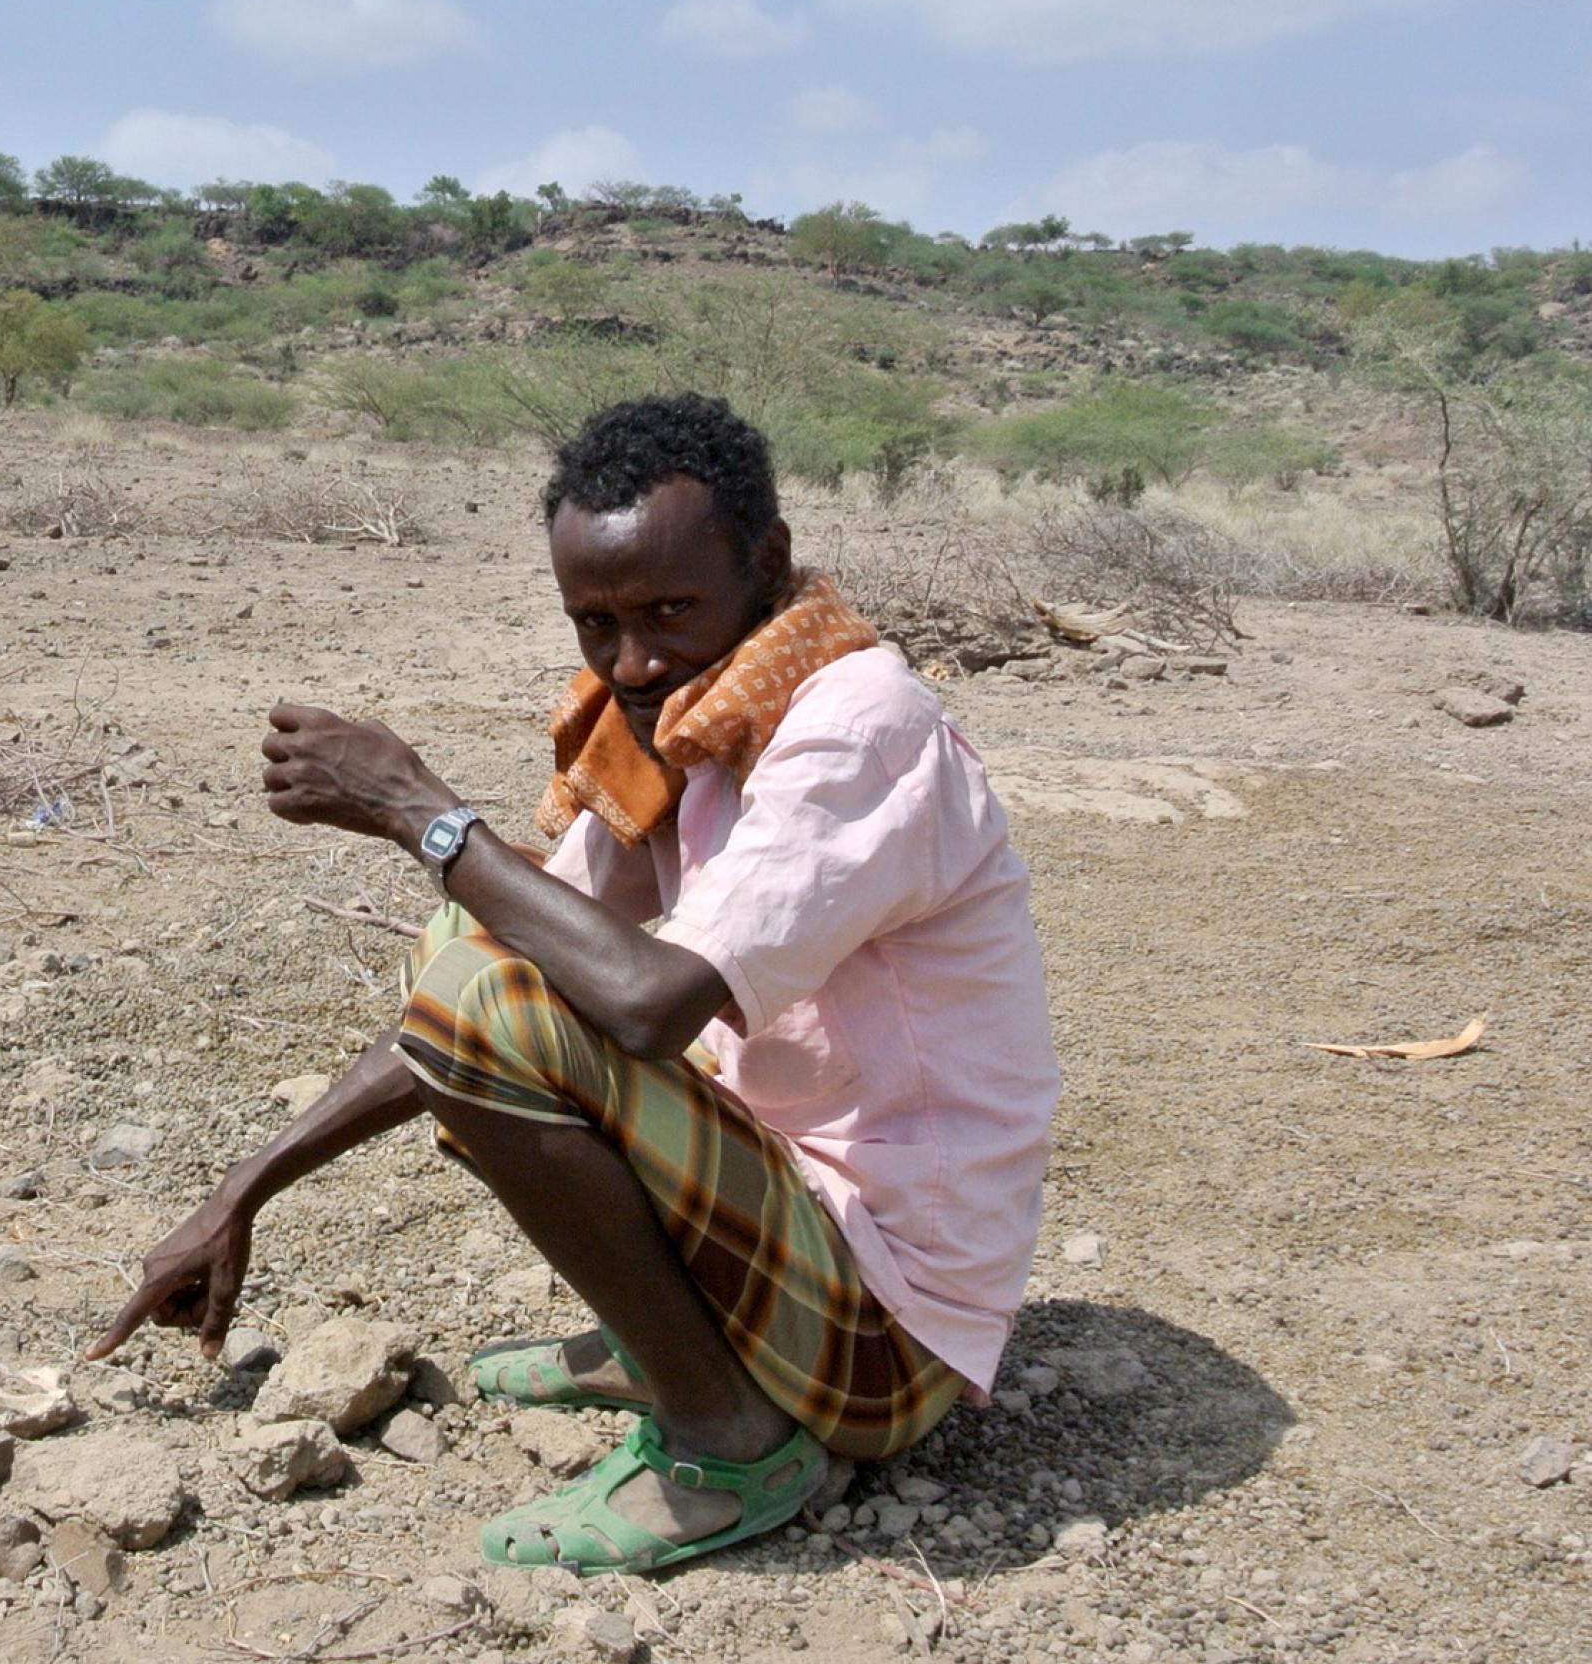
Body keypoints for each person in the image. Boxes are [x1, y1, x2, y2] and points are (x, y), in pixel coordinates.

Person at [87, 393, 1060, 1576]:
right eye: (594, 623)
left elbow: (642, 1002)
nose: (632, 661)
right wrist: (245, 1192)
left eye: (668, 611)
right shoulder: (688, 713)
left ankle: (729, 1436)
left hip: (891, 1338)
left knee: (491, 978)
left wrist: (419, 812)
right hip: (793, 1241)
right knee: (476, 951)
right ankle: (679, 1350)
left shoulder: (856, 728)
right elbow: (515, 963)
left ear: (767, 564)